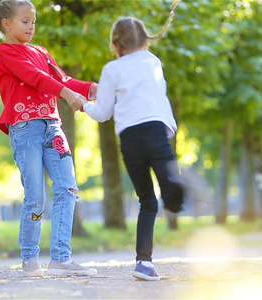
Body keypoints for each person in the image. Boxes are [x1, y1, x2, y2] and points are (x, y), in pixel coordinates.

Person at [0, 0, 97, 277]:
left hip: (53, 126)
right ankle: (30, 258)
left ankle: (61, 258)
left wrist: (91, 88)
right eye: (25, 21)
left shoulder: (41, 51)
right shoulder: (4, 52)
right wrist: (67, 95)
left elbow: (64, 79)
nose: (31, 26)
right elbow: (34, 77)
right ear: (7, 24)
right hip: (25, 129)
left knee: (68, 188)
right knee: (36, 195)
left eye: (34, 21)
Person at [79, 8, 184, 281]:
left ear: (115, 44)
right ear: (146, 42)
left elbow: (103, 113)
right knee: (169, 186)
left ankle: (144, 263)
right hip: (156, 131)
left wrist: (85, 106)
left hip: (130, 140)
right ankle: (175, 191)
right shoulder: (153, 62)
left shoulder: (111, 69)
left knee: (147, 201)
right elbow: (159, 99)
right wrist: (168, 130)